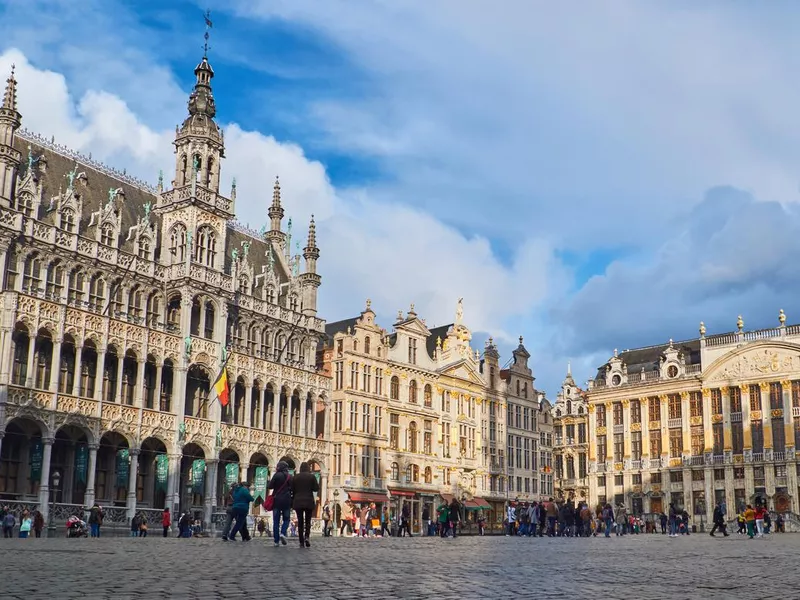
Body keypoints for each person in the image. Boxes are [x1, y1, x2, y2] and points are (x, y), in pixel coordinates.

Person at [291, 461, 319, 548]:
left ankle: (301, 541)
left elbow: (292, 489)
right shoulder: (312, 477)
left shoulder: (295, 477)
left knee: (300, 521)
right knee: (307, 521)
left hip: (298, 501)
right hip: (308, 501)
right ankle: (307, 537)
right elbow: (316, 488)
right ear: (308, 468)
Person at [267, 461, 293, 547]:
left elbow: (270, 486)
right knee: (286, 519)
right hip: (286, 501)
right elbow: (292, 488)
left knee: (276, 521)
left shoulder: (276, 475)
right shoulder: (290, 476)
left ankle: (276, 541)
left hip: (277, 500)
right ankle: (283, 533)